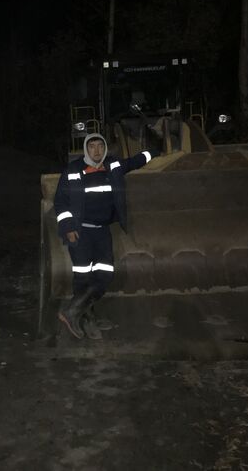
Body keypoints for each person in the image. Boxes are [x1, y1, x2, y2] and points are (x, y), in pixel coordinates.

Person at [54, 132, 154, 339]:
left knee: (105, 275)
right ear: (85, 149)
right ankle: (87, 319)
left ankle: (72, 311)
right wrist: (68, 228)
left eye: (100, 146)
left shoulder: (113, 165)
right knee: (82, 277)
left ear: (105, 148)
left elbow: (135, 161)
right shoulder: (72, 170)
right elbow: (60, 202)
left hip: (102, 232)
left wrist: (153, 152)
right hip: (80, 232)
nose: (97, 150)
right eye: (92, 146)